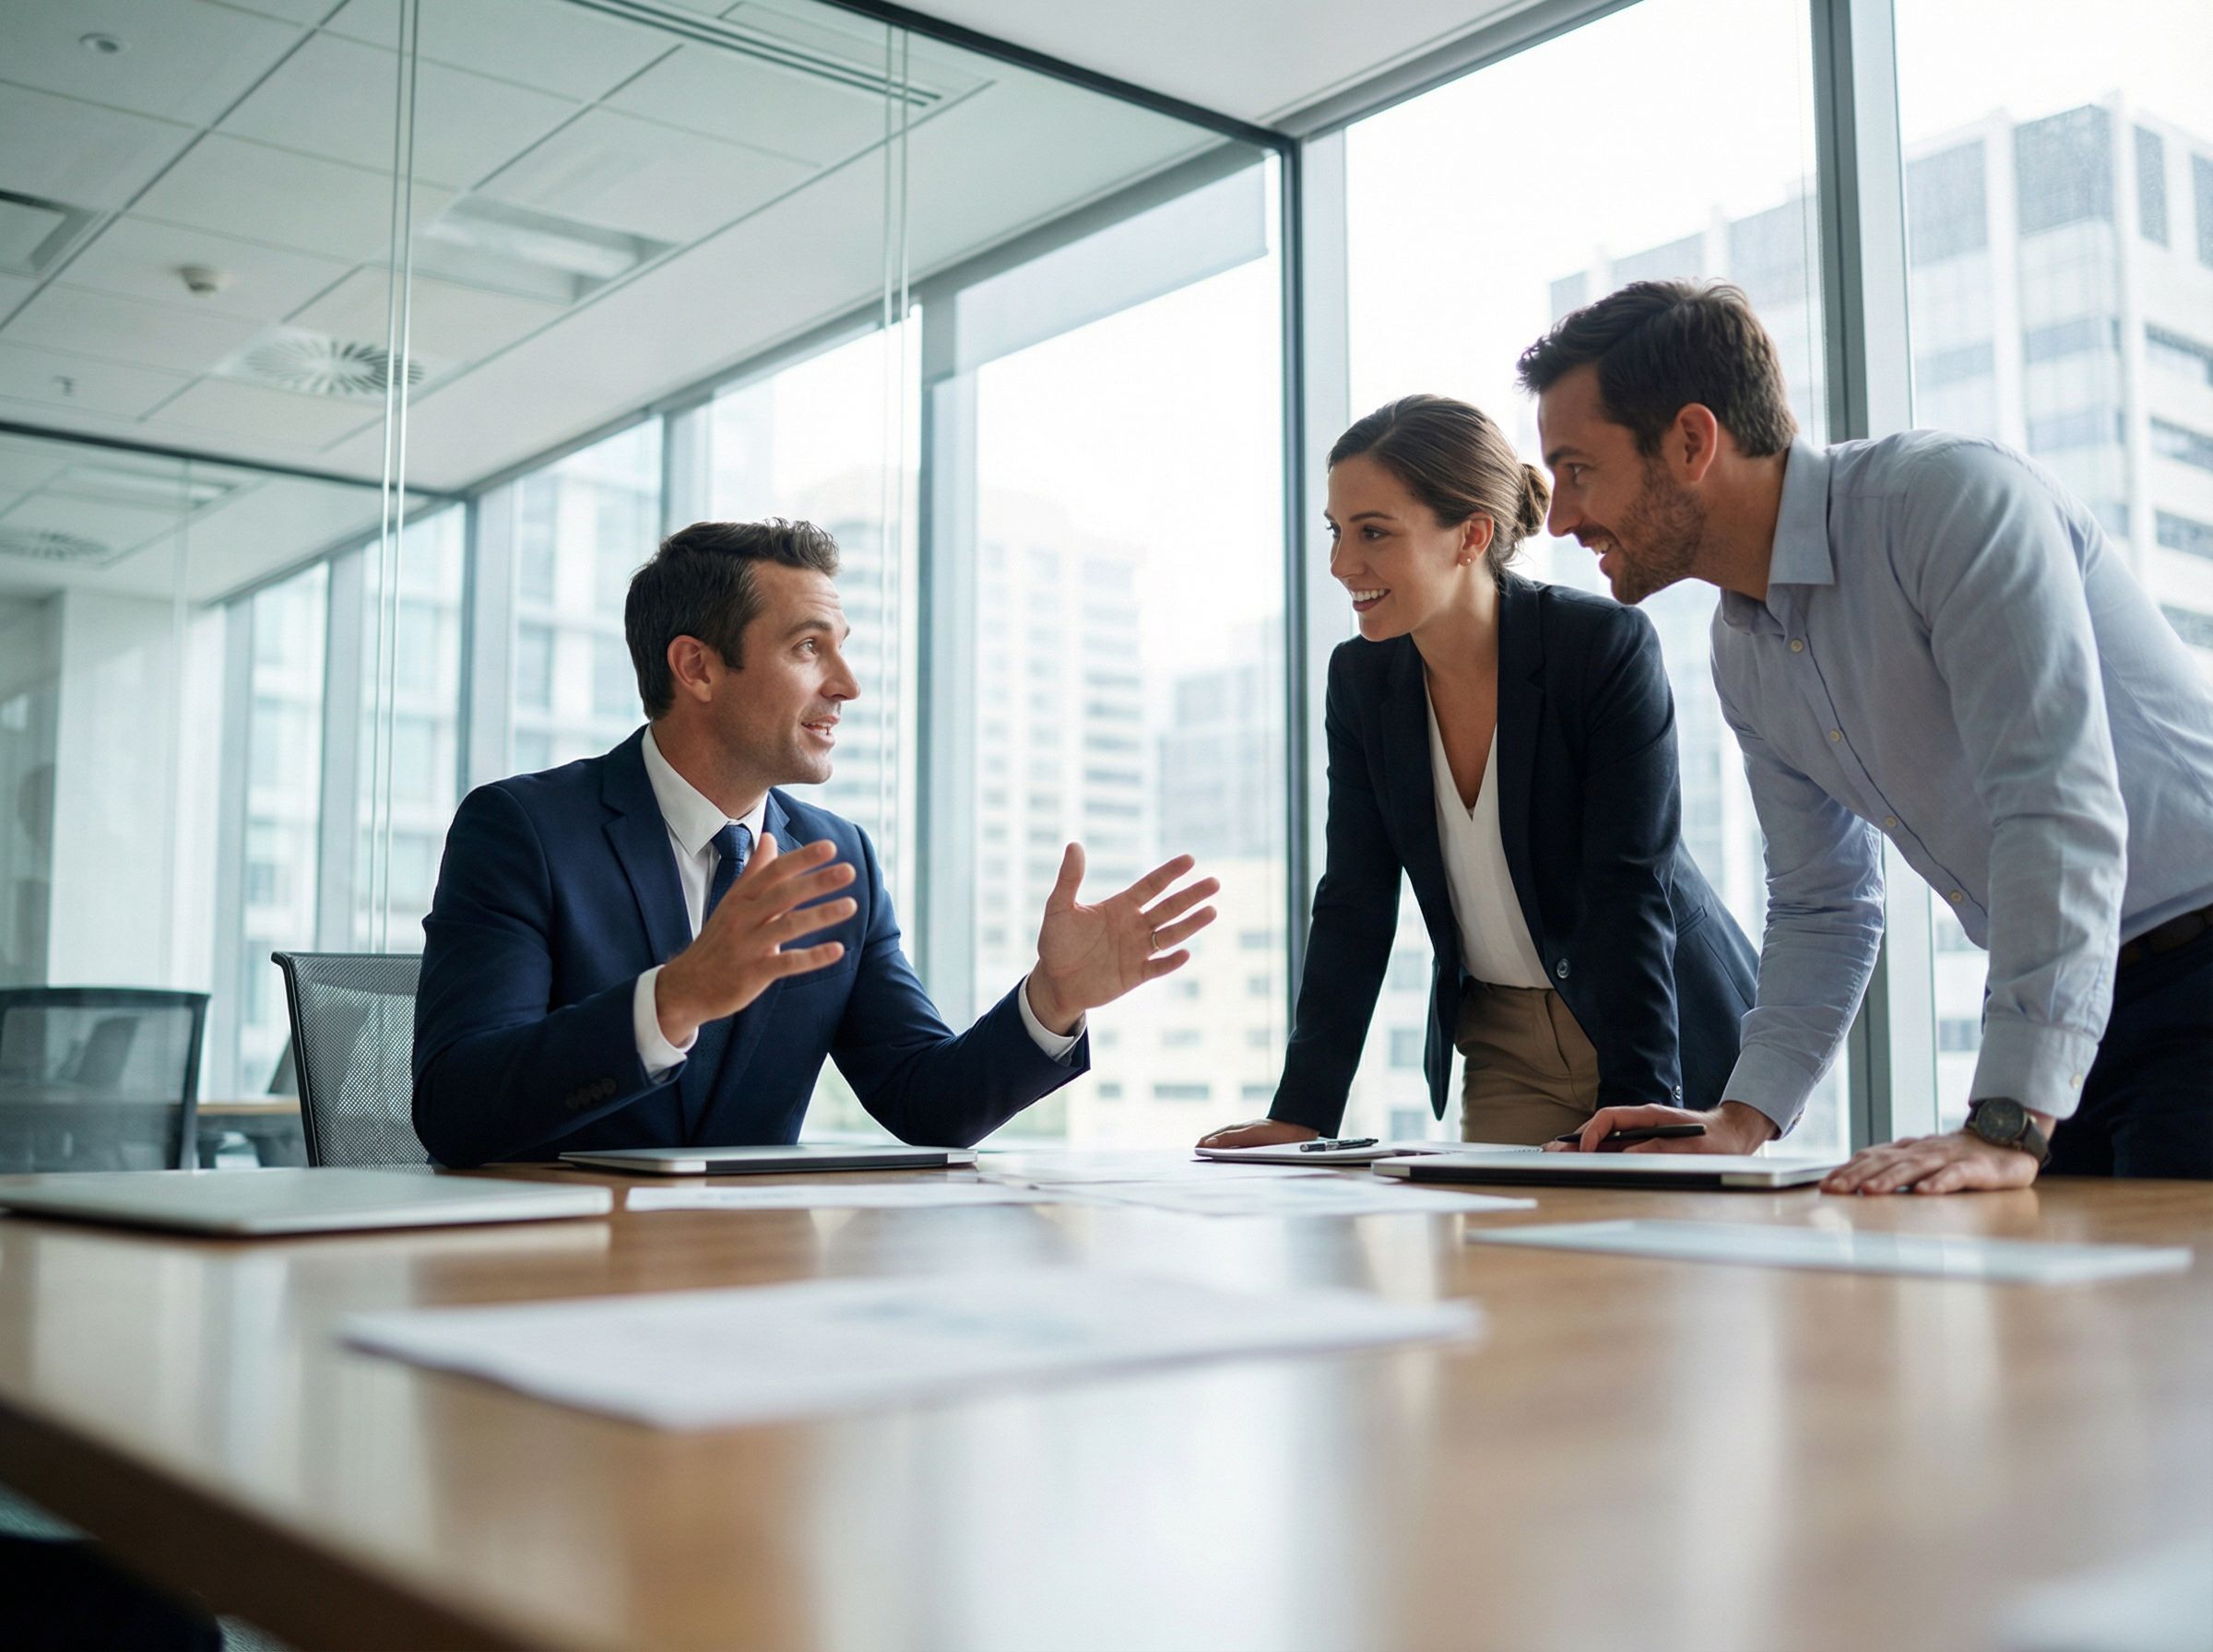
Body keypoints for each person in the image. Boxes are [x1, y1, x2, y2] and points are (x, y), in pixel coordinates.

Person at [1520, 279, 2213, 1190]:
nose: (1561, 517)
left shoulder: (1945, 502)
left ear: (1692, 441)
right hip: (2086, 1004)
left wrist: (2009, 1117)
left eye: (1577, 470)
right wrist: (1741, 1117)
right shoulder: (1744, 648)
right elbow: (1824, 901)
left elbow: (2055, 805)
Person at [413, 519, 1219, 1168]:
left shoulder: (841, 859)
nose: (847, 683)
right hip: (550, 1279)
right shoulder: (523, 830)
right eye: (808, 648)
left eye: (842, 646)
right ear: (696, 667)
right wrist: (675, 997)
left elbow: (925, 1101)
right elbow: (455, 1111)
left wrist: (1052, 1000)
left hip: (761, 1284)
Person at [1199, 396, 1757, 1153]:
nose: (1339, 564)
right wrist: (1305, 1111)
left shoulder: (1600, 649)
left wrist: (1636, 1104)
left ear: (1471, 536)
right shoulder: (1361, 679)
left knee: (1644, 1261)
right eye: (1336, 532)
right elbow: (1355, 899)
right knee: (1497, 1267)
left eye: (1373, 533)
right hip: (1504, 1043)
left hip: (1663, 1031)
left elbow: (1631, 888)